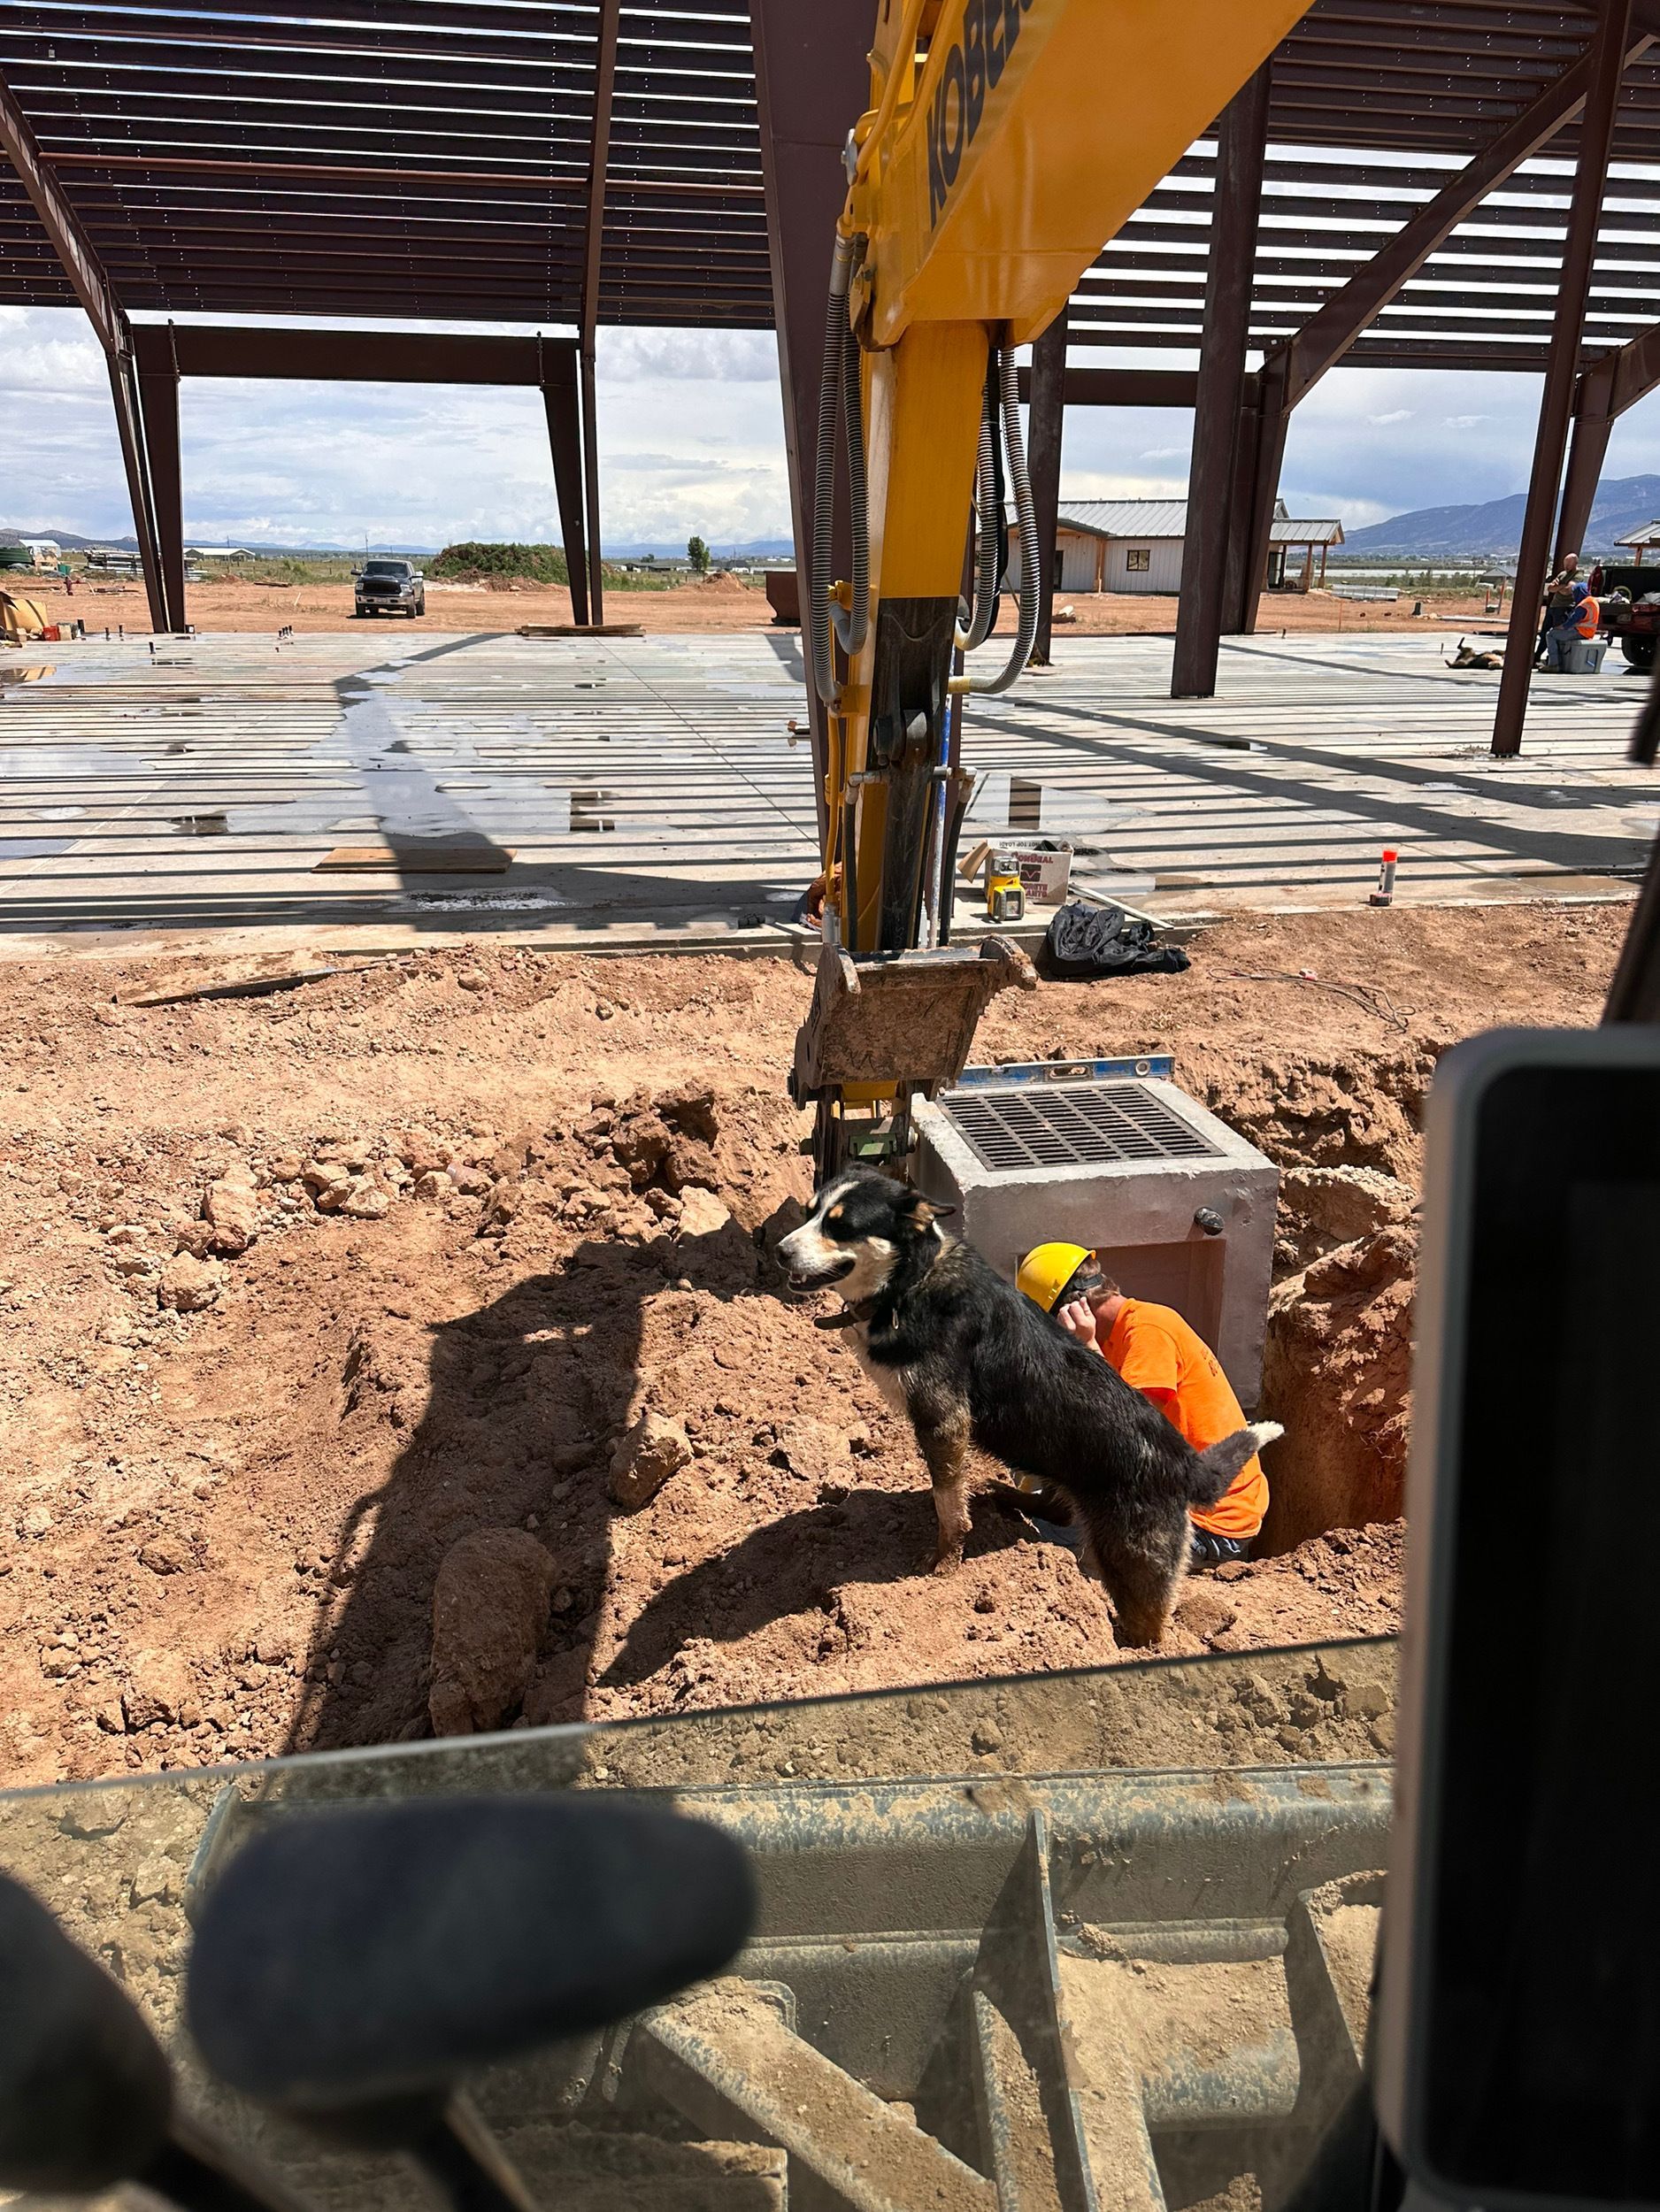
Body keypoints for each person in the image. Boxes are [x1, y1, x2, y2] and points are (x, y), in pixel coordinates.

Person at [1016, 1242, 1268, 1565]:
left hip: (1211, 1526)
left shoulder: (1148, 1332)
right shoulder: (1118, 1335)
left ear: (1074, 1309)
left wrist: (1086, 1348)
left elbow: (1131, 1439)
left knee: (1044, 1545)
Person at [1533, 553, 1579, 665]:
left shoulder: (1578, 575)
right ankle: (1537, 656)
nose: (1566, 566)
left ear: (1575, 563)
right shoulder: (1562, 574)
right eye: (1565, 563)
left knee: (1557, 633)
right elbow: (1550, 588)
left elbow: (1567, 590)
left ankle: (1555, 660)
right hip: (1554, 606)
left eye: (1569, 564)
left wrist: (1558, 587)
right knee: (1545, 633)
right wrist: (1561, 586)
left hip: (1564, 607)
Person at [1545, 579, 1600, 672]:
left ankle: (1554, 664)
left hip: (1581, 632)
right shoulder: (1593, 601)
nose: (1573, 596)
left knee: (1551, 635)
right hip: (1588, 632)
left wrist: (1560, 627)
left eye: (1574, 593)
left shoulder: (1584, 604)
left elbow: (1572, 621)